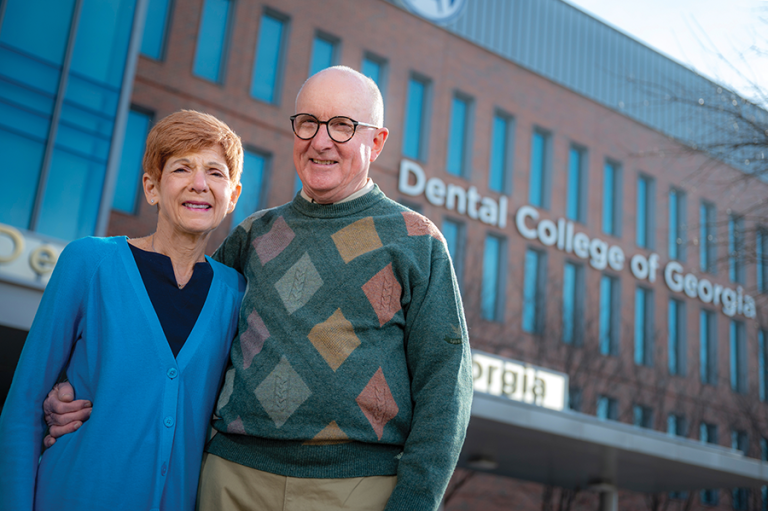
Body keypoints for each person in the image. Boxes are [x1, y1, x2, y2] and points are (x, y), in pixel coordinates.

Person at [44, 66, 473, 511]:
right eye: (308, 122)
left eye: (342, 126)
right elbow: (178, 348)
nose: (320, 140)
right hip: (231, 480)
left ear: (376, 142)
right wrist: (71, 391)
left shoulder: (416, 240)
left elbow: (446, 387)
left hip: (354, 488)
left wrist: (415, 502)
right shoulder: (253, 235)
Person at [0, 110, 245, 511]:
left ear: (232, 195)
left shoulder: (235, 294)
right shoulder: (89, 262)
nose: (199, 184)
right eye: (182, 168)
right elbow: (24, 407)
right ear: (152, 187)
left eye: (215, 173)